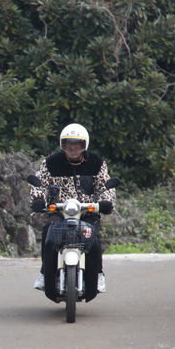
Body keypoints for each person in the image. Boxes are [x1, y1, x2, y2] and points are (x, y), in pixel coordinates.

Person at [29, 123, 115, 298]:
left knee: (94, 241)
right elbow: (39, 183)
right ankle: (45, 273)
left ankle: (98, 275)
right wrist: (38, 199)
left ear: (84, 145)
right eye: (69, 143)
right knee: (48, 236)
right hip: (59, 212)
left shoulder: (96, 162)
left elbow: (106, 186)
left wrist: (106, 202)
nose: (73, 147)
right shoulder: (51, 163)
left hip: (87, 212)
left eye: (77, 143)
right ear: (63, 145)